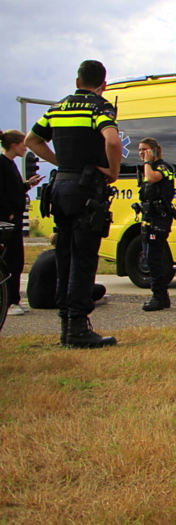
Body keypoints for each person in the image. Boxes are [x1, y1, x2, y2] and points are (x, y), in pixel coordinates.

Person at [25, 60, 121, 348]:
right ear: (103, 84)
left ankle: (66, 326)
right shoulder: (99, 107)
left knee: (64, 257)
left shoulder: (56, 108)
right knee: (83, 259)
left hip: (60, 189)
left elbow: (32, 140)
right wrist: (113, 171)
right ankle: (79, 328)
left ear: (78, 82)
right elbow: (112, 141)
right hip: (86, 191)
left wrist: (62, 162)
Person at [1, 130, 44, 316]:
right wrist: (8, 213)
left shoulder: (10, 164)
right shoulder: (2, 164)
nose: (25, 149)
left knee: (16, 260)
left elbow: (12, 190)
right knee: (10, 260)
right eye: (23, 145)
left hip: (14, 218)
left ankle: (14, 298)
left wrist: (26, 185)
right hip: (8, 220)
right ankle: (9, 301)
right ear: (14, 145)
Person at [137, 137, 176, 311]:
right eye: (140, 150)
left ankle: (159, 297)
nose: (141, 153)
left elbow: (153, 178)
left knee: (154, 258)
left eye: (145, 149)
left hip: (160, 218)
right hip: (149, 217)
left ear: (155, 150)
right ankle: (162, 297)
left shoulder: (163, 167)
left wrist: (147, 162)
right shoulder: (149, 168)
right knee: (149, 256)